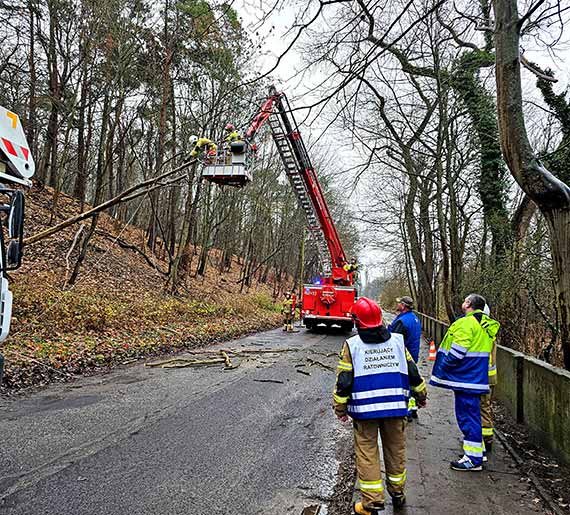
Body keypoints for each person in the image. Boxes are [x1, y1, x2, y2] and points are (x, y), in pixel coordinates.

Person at [333, 297, 427, 514]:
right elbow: (413, 373)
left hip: (365, 412)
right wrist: (421, 396)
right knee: (396, 450)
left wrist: (340, 409)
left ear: (358, 321)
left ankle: (371, 503)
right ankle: (398, 494)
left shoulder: (352, 345)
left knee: (367, 453)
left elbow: (344, 382)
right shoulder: (397, 342)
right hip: (395, 408)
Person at [430, 293, 500, 471]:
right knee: (474, 415)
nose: (463, 302)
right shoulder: (484, 325)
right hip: (476, 377)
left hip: (465, 378)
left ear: (468, 303)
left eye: (464, 300)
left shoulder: (466, 323)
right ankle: (478, 452)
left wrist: (444, 365)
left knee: (467, 418)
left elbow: (458, 351)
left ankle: (473, 459)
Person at [388, 296, 422, 420]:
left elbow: (394, 340)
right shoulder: (415, 318)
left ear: (403, 306)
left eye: (399, 303)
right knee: (411, 381)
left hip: (403, 357)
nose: (397, 305)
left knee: (404, 383)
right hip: (413, 356)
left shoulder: (402, 321)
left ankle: (407, 410)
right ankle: (413, 407)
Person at [480, 303, 498, 457]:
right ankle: (487, 438)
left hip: (482, 377)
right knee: (486, 407)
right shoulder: (490, 329)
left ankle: (486, 439)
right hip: (490, 377)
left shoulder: (483, 330)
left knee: (483, 408)